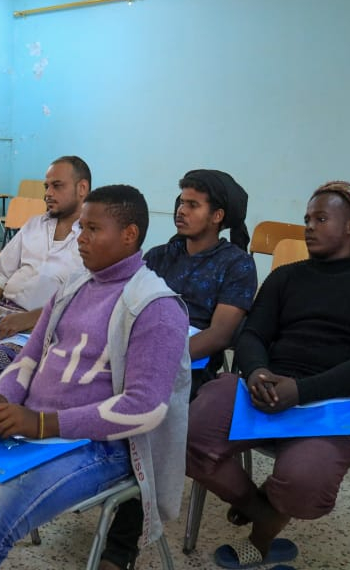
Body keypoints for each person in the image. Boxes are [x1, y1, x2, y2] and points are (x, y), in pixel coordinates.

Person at [0, 185, 190, 570]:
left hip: (98, 447)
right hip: (31, 428)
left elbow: (145, 408)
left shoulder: (155, 306)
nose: (80, 238)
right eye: (81, 227)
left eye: (93, 229)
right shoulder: (74, 286)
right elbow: (29, 356)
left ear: (129, 234)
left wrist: (43, 423)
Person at [184, 181, 350, 570]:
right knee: (187, 436)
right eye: (307, 219)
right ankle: (262, 511)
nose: (308, 226)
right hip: (267, 388)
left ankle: (264, 528)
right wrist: (257, 371)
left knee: (304, 482)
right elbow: (252, 334)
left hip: (338, 402)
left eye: (321, 219)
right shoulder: (286, 277)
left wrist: (301, 391)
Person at [100, 169, 257, 570]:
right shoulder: (160, 255)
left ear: (218, 216)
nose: (180, 211)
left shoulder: (236, 265)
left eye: (192, 204)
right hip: (139, 357)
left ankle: (120, 550)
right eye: (180, 202)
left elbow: (220, 334)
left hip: (193, 369)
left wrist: (162, 356)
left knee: (145, 432)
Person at [0, 156, 90, 391]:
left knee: (0, 358)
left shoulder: (90, 238)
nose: (48, 193)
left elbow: (82, 302)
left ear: (82, 188)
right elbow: (1, 275)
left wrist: (28, 320)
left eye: (57, 186)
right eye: (46, 186)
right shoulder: (34, 225)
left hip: (44, 325)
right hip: (1, 314)